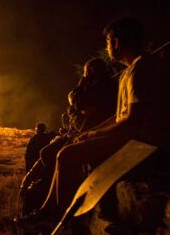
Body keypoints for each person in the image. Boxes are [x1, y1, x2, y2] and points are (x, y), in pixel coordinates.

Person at [16, 17, 170, 232]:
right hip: (132, 136)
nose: (107, 47)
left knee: (67, 156)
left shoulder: (143, 68)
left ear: (117, 42)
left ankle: (52, 215)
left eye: (109, 42)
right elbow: (119, 115)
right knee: (66, 150)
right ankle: (49, 210)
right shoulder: (129, 72)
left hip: (145, 143)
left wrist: (95, 136)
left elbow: (133, 120)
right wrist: (91, 132)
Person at [18, 57, 118, 220]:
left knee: (57, 154)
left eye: (86, 73)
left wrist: (74, 108)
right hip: (85, 133)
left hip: (93, 137)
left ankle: (54, 213)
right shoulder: (103, 87)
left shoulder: (101, 87)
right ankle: (45, 206)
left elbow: (82, 115)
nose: (84, 76)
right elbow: (82, 110)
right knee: (48, 153)